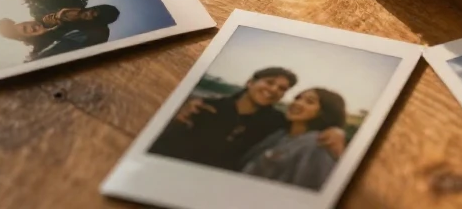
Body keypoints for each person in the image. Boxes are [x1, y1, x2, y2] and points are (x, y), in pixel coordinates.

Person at [148, 68, 346, 171]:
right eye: (270, 82)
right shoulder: (206, 106)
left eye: (282, 89)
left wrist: (337, 131)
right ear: (250, 82)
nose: (274, 90)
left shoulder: (277, 122)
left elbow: (309, 128)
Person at [239, 88, 346, 189]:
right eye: (297, 98)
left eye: (309, 102)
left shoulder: (318, 144)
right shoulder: (280, 134)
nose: (297, 103)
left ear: (324, 112)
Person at [0, 4, 121, 60]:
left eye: (26, 24)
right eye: (25, 30)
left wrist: (60, 19)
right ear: (24, 37)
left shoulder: (98, 32)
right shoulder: (40, 48)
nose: (30, 27)